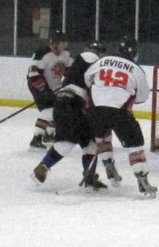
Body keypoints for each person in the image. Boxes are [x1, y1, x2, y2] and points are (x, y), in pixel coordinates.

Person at [31, 41, 112, 189]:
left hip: (62, 101)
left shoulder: (77, 62)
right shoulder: (93, 61)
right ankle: (89, 177)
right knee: (88, 143)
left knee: (72, 141)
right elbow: (93, 86)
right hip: (75, 104)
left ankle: (43, 166)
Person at [84, 35, 157, 198]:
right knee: (136, 144)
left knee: (102, 137)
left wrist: (101, 91)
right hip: (119, 111)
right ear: (135, 52)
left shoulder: (102, 61)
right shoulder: (137, 69)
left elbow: (87, 78)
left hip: (95, 110)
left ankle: (108, 164)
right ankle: (142, 181)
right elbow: (142, 97)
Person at [26, 30, 74, 151]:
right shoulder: (41, 54)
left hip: (55, 86)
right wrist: (44, 90)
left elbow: (70, 71)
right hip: (37, 85)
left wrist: (69, 82)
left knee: (60, 109)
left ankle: (49, 135)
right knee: (49, 110)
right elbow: (33, 74)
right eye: (63, 43)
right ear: (55, 43)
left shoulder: (66, 54)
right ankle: (36, 139)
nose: (65, 46)